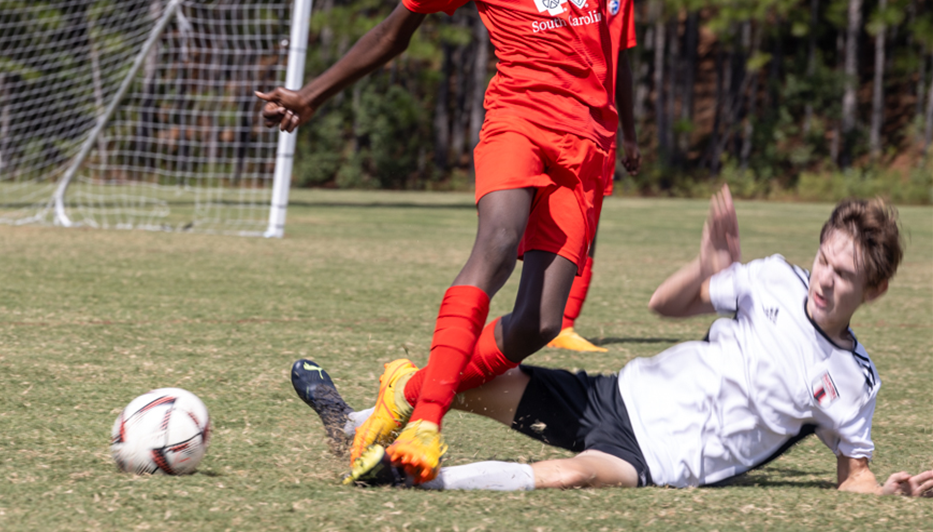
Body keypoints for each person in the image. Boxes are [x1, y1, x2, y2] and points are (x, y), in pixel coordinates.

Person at [291, 187, 933, 496]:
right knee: (463, 381)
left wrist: (889, 492)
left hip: (655, 461)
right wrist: (705, 267)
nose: (825, 278)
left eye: (845, 274)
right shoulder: (770, 278)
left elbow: (855, 475)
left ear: (872, 291)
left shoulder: (854, 381)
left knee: (568, 477)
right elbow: (665, 305)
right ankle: (350, 422)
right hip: (616, 397)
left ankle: (411, 481)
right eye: (826, 259)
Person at [258, 0, 636, 484]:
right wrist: (312, 96)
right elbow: (394, 30)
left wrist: (626, 128)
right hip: (519, 119)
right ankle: (424, 423)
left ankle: (405, 392)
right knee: (496, 247)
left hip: (587, 144)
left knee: (539, 323)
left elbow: (619, 49)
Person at [548, 5, 641, 353]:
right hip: (545, 111)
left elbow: (621, 61)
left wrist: (630, 134)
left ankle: (563, 324)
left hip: (599, 123)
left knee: (587, 223)